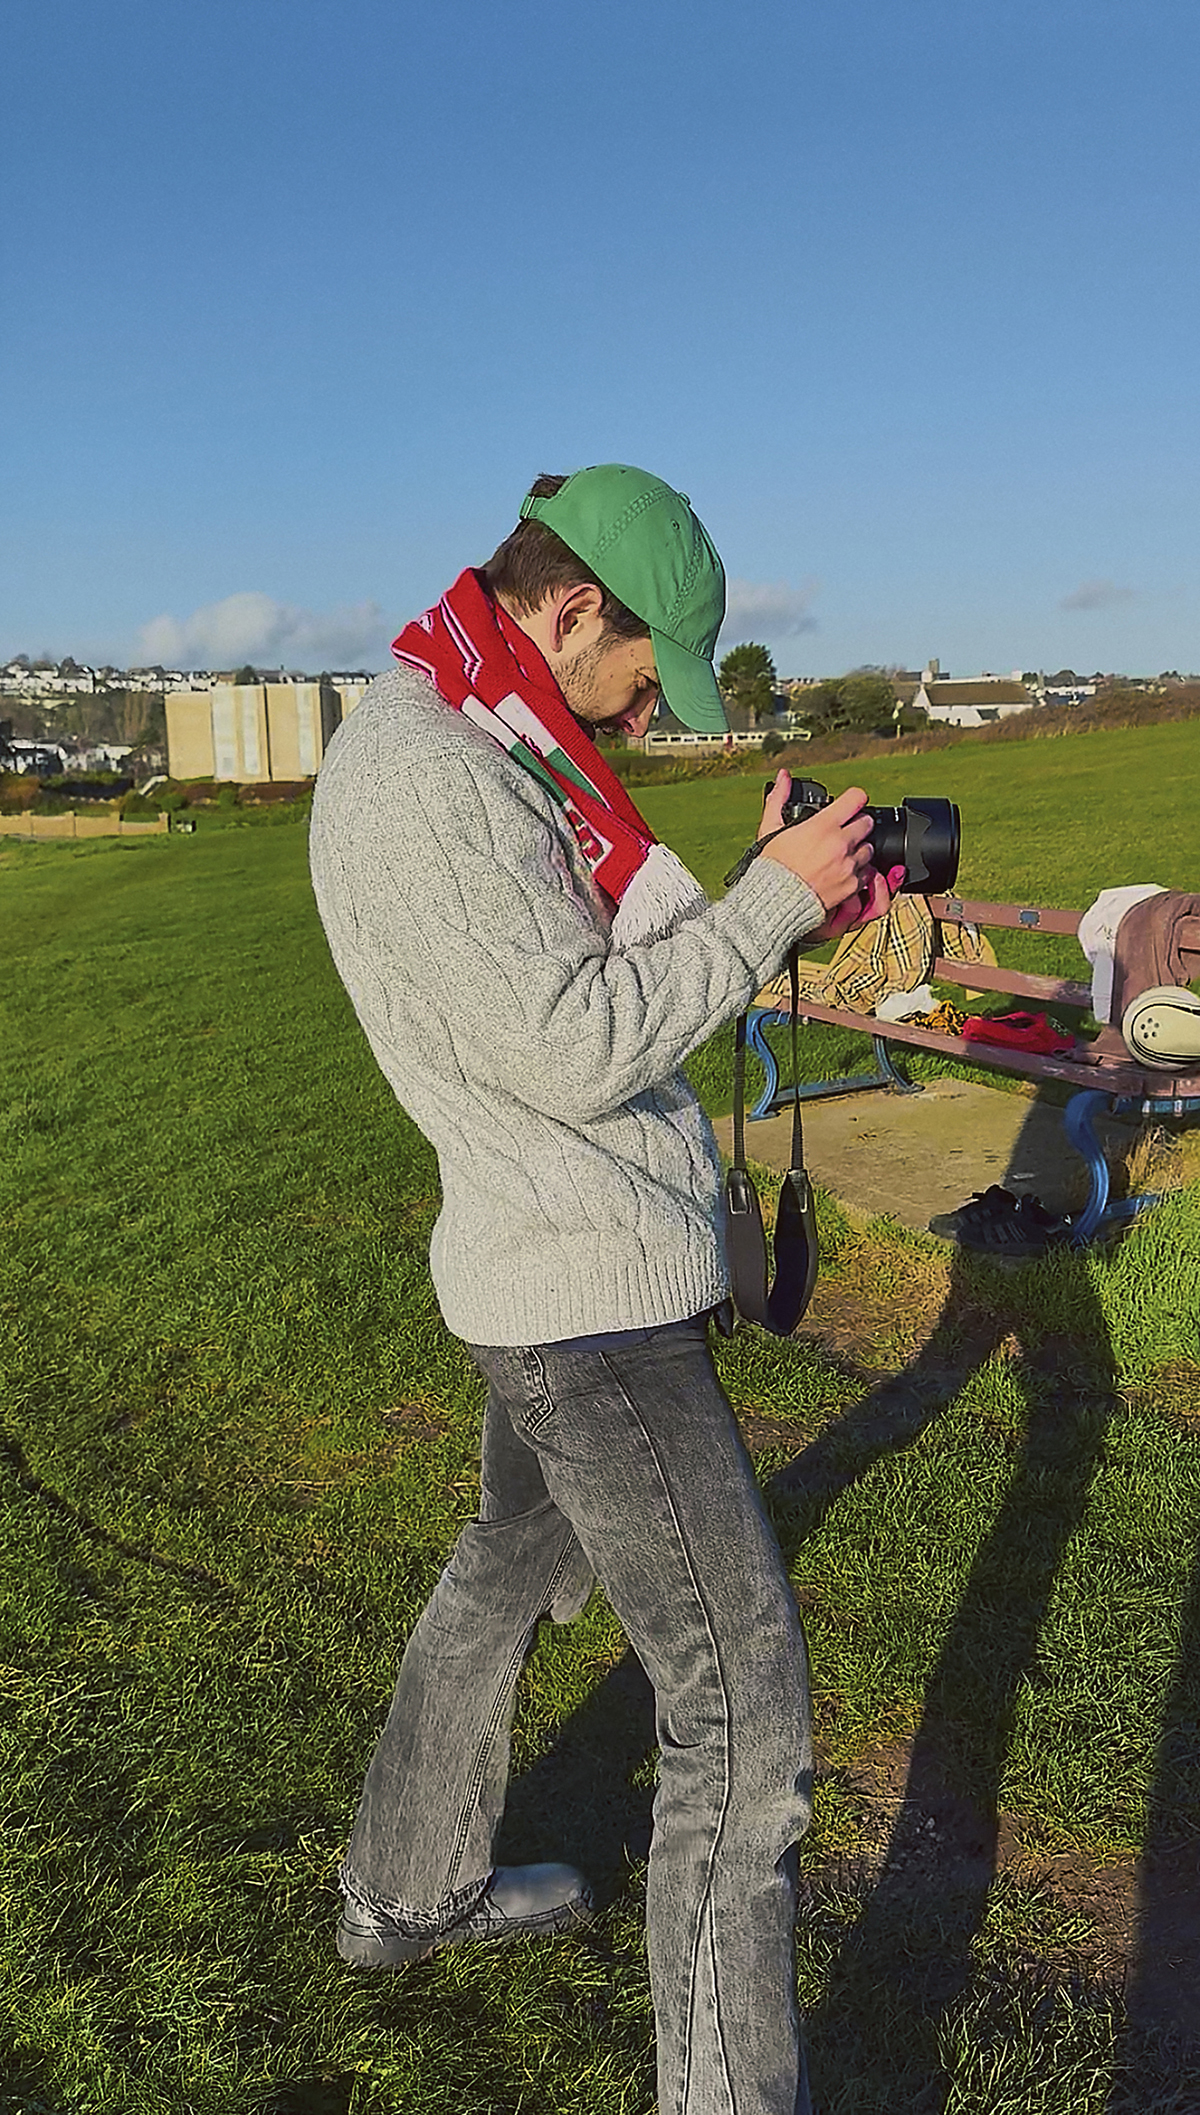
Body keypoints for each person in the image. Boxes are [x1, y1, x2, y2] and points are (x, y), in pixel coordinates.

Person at [307, 465, 895, 2115]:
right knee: (742, 1722)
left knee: (504, 1568)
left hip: (549, 1260)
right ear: (572, 610)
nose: (647, 715)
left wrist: (769, 899)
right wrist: (772, 905)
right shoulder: (434, 775)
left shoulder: (483, 731)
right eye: (643, 675)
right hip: (586, 1307)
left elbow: (583, 983)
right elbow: (575, 1048)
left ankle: (403, 1895)